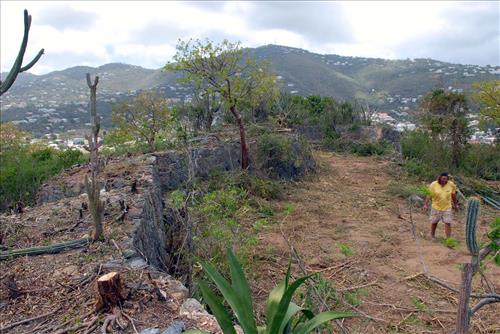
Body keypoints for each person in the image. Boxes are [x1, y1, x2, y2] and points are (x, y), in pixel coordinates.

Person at [424, 172, 459, 240]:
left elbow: (453, 195)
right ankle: (432, 235)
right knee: (434, 222)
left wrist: (455, 204)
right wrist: (426, 204)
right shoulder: (433, 184)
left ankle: (448, 239)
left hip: (447, 207)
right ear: (440, 178)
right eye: (443, 178)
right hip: (436, 206)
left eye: (446, 179)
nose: (444, 180)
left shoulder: (451, 184)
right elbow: (429, 194)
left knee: (448, 222)